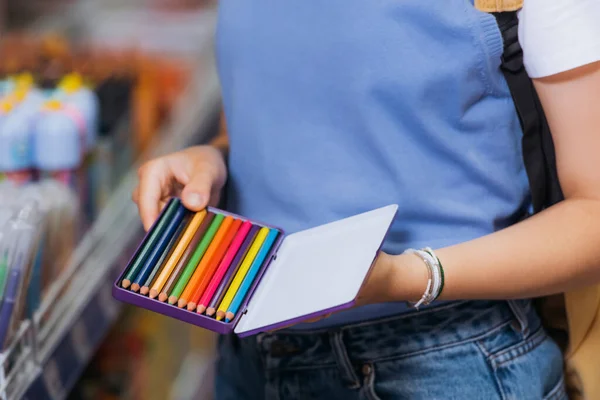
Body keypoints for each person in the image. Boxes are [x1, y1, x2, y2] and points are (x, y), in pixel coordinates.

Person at [133, 0, 600, 398]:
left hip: (449, 360)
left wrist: (405, 276)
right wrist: (215, 158)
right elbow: (307, 110)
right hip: (249, 357)